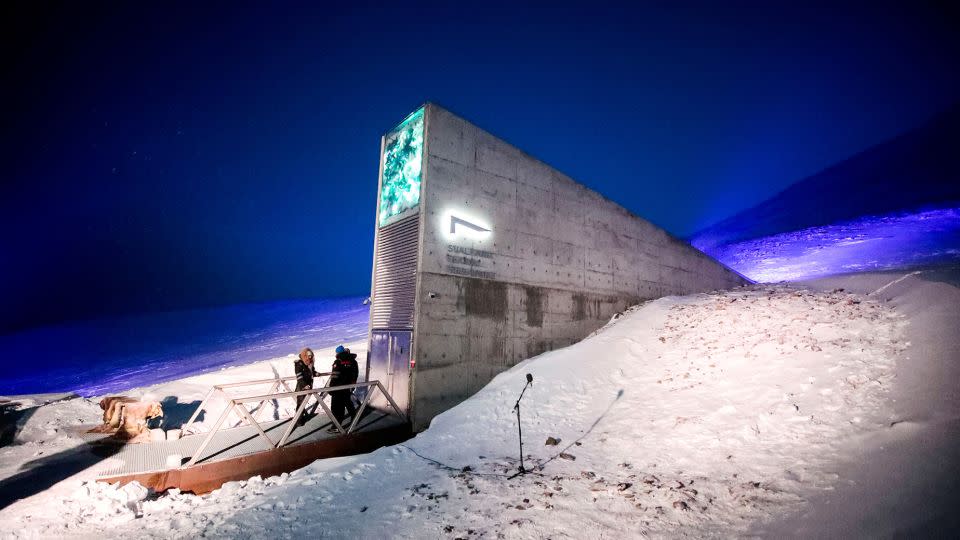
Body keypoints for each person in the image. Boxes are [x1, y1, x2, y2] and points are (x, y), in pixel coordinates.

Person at [327, 345, 359, 431]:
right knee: (347, 402)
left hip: (337, 389)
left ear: (337, 353)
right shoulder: (352, 361)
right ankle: (355, 418)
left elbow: (335, 376)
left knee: (336, 408)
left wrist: (331, 389)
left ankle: (337, 427)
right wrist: (352, 384)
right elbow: (355, 374)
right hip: (347, 387)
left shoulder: (338, 362)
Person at [294, 347, 319, 426]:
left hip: (308, 386)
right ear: (304, 355)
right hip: (301, 387)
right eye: (308, 355)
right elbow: (299, 376)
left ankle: (301, 417)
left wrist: (316, 373)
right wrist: (304, 385)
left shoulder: (310, 363)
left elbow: (311, 372)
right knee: (300, 404)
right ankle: (298, 421)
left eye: (311, 355)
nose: (310, 357)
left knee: (303, 403)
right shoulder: (299, 363)